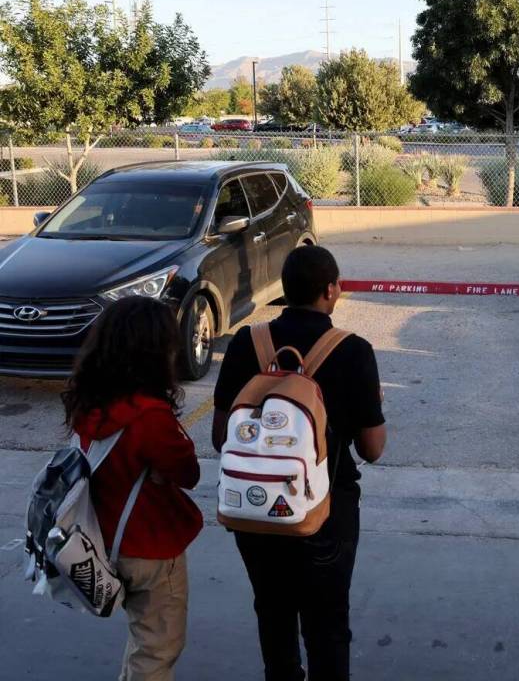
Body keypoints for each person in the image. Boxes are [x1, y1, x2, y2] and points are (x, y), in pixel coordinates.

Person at [212, 245, 386, 681]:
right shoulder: (353, 351)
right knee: (327, 626)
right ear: (331, 291)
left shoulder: (244, 345)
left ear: (286, 290)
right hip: (325, 513)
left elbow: (220, 438)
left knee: (272, 616)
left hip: (254, 510)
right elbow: (372, 449)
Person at [65, 296, 202, 681]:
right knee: (158, 649)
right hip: (152, 546)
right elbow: (188, 472)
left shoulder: (89, 403)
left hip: (104, 538)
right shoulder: (150, 416)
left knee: (142, 641)